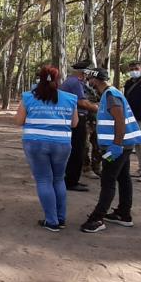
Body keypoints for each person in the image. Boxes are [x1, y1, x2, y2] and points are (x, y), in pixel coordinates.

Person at [80, 68, 141, 233]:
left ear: (96, 80)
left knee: (108, 179)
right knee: (123, 178)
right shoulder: (110, 93)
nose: (89, 82)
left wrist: (116, 145)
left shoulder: (111, 95)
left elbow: (120, 120)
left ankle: (97, 218)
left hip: (116, 147)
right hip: (122, 146)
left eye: (90, 79)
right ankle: (124, 214)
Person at [16, 65, 79, 231]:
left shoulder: (28, 97)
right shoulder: (71, 98)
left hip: (35, 143)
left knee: (44, 180)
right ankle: (61, 218)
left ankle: (51, 221)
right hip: (62, 144)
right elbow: (74, 123)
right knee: (58, 179)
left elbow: (19, 121)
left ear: (40, 78)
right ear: (58, 80)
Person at [59, 60, 99, 192]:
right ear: (84, 72)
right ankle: (71, 181)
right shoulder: (75, 83)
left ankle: (71, 178)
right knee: (78, 149)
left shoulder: (73, 81)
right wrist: (98, 108)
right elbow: (82, 102)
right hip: (76, 118)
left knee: (76, 149)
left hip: (72, 117)